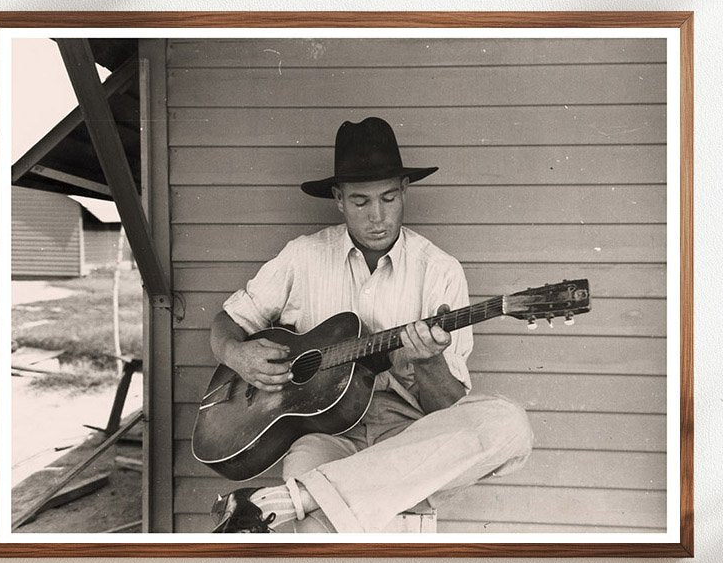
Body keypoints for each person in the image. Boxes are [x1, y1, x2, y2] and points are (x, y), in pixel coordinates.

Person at [207, 117, 533, 533]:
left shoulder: (440, 270)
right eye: (361, 202)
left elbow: (449, 411)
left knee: (509, 425)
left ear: (404, 190)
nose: (377, 217)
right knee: (324, 540)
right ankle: (319, 497)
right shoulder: (302, 257)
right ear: (338, 199)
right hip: (322, 435)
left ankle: (292, 500)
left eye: (389, 198)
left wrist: (429, 362)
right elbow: (227, 322)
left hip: (409, 436)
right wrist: (237, 354)